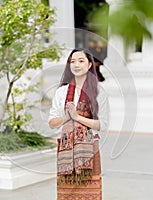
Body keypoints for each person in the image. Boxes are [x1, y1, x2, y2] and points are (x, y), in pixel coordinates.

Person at [48, 48, 109, 200]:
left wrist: (77, 117)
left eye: (81, 61)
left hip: (89, 150)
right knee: (66, 193)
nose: (76, 65)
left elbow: (103, 125)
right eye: (72, 61)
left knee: (90, 192)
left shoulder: (99, 92)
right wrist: (66, 118)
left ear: (89, 65)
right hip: (66, 151)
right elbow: (52, 122)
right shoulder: (61, 92)